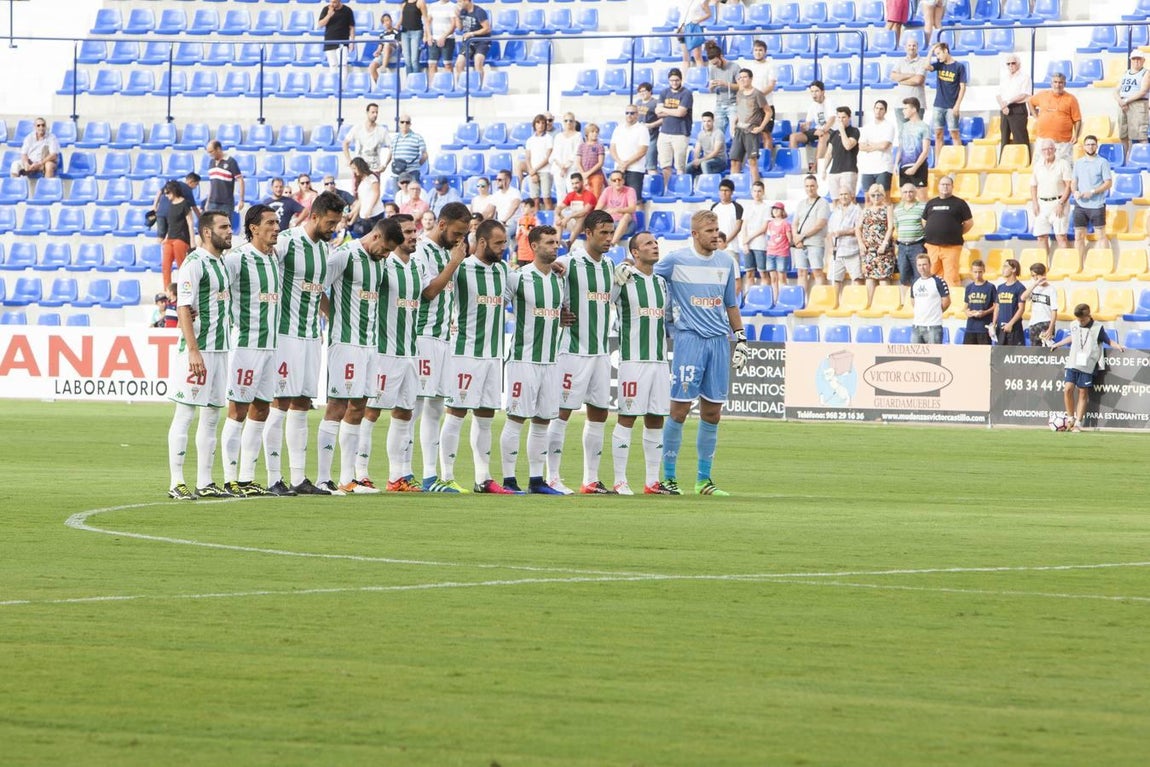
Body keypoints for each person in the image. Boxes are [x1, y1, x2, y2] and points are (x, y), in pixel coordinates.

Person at [617, 209, 748, 497]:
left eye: (717, 230)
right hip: (689, 340)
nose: (715, 236)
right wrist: (624, 266)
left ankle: (704, 480)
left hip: (718, 341)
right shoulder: (675, 261)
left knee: (713, 412)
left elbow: (730, 303)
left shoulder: (727, 262)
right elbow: (645, 270)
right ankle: (669, 477)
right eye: (709, 231)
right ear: (695, 234)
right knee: (678, 410)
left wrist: (740, 337)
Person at [314, 217, 404, 496]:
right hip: (346, 343)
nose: (386, 255)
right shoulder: (344, 255)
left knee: (359, 407)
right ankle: (322, 479)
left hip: (370, 345)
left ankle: (347, 479)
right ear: (375, 237)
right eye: (385, 249)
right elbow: (317, 289)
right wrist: (333, 315)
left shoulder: (380, 262)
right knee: (337, 406)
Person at [265, 191, 347, 496]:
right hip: (285, 335)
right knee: (280, 402)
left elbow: (318, 291)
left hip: (312, 335)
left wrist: (333, 317)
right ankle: (273, 478)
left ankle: (298, 478)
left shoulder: (325, 249)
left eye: (337, 223)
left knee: (302, 403)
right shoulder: (286, 241)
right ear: (314, 216)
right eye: (330, 223)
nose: (334, 229)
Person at [431, 219, 518, 494]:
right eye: (498, 243)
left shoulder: (503, 270)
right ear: (481, 242)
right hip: (465, 354)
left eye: (505, 242)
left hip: (493, 355)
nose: (503, 248)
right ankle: (446, 476)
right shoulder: (462, 269)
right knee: (456, 413)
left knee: (486, 416)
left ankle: (483, 479)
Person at [166, 211, 236, 500]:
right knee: (185, 413)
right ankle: (176, 482)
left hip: (220, 349)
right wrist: (194, 351)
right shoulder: (194, 263)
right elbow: (183, 306)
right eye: (224, 227)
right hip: (199, 351)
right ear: (208, 232)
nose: (230, 231)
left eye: (230, 226)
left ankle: (205, 482)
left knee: (211, 416)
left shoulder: (222, 263)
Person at [547, 210, 618, 494]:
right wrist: (557, 314)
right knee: (561, 412)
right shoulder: (568, 262)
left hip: (600, 352)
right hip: (572, 352)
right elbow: (544, 284)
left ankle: (590, 479)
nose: (609, 238)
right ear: (588, 233)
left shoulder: (610, 266)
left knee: (599, 413)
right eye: (603, 233)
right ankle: (552, 477)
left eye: (611, 232)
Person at [355, 214, 426, 492]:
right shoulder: (383, 265)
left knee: (405, 412)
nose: (413, 236)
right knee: (371, 411)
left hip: (410, 351)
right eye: (407, 232)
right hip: (384, 351)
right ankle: (360, 472)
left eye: (414, 231)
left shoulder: (417, 266)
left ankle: (398, 476)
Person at [219, 205, 285, 497]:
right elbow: (215, 287)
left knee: (262, 408)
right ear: (253, 228)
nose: (276, 227)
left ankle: (247, 477)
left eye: (277, 222)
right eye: (270, 223)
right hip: (245, 345)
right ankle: (229, 478)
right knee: (238, 410)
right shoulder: (237, 259)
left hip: (270, 346)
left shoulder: (274, 258)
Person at [498, 225, 567, 495]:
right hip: (523, 359)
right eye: (549, 242)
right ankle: (508, 480)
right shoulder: (518, 278)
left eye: (556, 242)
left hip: (550, 361)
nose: (555, 246)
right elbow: (496, 307)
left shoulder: (559, 280)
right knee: (516, 418)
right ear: (534, 246)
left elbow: (560, 312)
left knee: (542, 421)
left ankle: (537, 480)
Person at [610, 231, 675, 495]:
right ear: (635, 252)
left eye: (656, 243)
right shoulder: (624, 278)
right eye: (648, 243)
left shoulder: (661, 282)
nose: (655, 246)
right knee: (627, 417)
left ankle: (652, 481)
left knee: (656, 418)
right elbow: (605, 301)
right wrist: (616, 274)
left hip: (659, 361)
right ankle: (619, 480)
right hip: (633, 360)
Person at [413, 204, 471, 491]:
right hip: (422, 336)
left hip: (443, 338)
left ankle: (429, 476)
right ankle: (402, 474)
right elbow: (429, 292)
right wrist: (454, 263)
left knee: (435, 407)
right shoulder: (421, 250)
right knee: (412, 407)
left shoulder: (449, 252)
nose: (460, 239)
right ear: (442, 224)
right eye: (457, 233)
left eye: (465, 234)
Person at [1051, 303, 1124, 432]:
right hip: (1073, 362)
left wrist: (1118, 346)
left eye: (1083, 320)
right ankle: (1070, 418)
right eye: (1078, 319)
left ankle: (1078, 423)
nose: (1080, 322)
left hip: (1087, 364)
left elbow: (1107, 340)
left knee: (1082, 392)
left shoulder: (1097, 327)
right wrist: (1058, 344)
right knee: (1067, 389)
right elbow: (1072, 337)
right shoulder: (1074, 324)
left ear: (1089, 316)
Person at [1071, 135, 1114, 267]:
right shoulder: (1078, 163)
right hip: (1080, 205)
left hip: (1097, 205)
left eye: (1093, 144)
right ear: (1084, 146)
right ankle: (1079, 265)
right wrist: (1075, 191)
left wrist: (1093, 191)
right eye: (1088, 144)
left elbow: (1108, 183)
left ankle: (1104, 264)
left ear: (1096, 146)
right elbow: (1074, 181)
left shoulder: (1102, 162)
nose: (1090, 147)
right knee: (1078, 236)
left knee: (1100, 235)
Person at [921, 175, 972, 286]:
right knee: (932, 275)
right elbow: (924, 221)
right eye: (942, 184)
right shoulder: (931, 203)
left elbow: (969, 223)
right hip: (933, 246)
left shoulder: (960, 203)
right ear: (938, 186)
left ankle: (952, 297)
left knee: (951, 276)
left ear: (952, 187)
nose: (945, 187)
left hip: (951, 247)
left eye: (947, 184)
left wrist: (955, 232)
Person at [1030, 138, 1073, 260]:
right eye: (1044, 149)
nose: (1047, 151)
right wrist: (1034, 203)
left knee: (1061, 237)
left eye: (1050, 149)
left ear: (1054, 149)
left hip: (1058, 202)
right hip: (1042, 203)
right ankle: (1044, 265)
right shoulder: (1038, 165)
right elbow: (1033, 185)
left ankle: (1066, 265)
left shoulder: (1063, 164)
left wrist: (1061, 203)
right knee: (1041, 237)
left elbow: (1069, 186)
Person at [655, 68, 694, 191]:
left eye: (677, 80)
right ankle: (667, 188)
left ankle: (680, 189)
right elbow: (657, 112)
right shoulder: (664, 92)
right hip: (664, 132)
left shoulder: (686, 93)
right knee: (665, 164)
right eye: (672, 80)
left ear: (681, 80)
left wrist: (665, 110)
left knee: (679, 166)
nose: (674, 83)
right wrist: (674, 111)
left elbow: (681, 113)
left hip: (680, 133)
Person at [791, 174, 831, 292]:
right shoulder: (801, 204)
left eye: (812, 186)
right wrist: (796, 238)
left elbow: (820, 224)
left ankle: (821, 299)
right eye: (807, 186)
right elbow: (795, 223)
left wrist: (802, 236)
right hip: (800, 244)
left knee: (817, 272)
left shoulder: (823, 203)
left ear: (817, 186)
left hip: (815, 243)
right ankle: (801, 300)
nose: (810, 188)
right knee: (801, 273)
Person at [1029, 73, 1082, 162]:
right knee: (1040, 166)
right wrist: (1036, 117)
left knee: (1064, 167)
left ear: (1064, 84)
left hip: (1062, 143)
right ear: (1051, 83)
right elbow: (1030, 101)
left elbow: (1077, 119)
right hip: (1043, 141)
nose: (1057, 85)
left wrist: (1076, 135)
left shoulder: (1071, 99)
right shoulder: (1042, 95)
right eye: (1055, 82)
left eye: (1060, 82)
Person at [857, 184, 895, 305]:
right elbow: (858, 228)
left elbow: (890, 227)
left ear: (883, 196)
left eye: (879, 195)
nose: (876, 197)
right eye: (873, 195)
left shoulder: (887, 209)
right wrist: (861, 244)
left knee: (883, 277)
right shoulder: (865, 210)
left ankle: (885, 304)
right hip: (869, 250)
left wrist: (884, 244)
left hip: (884, 250)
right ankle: (869, 304)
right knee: (869, 278)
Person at [730, 68, 770, 183]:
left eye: (745, 77)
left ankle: (756, 187)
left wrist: (761, 127)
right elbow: (739, 111)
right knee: (734, 161)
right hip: (739, 130)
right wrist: (733, 124)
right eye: (740, 78)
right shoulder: (739, 93)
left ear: (751, 78)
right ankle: (735, 187)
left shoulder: (757, 94)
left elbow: (768, 112)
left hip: (751, 131)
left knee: (752, 161)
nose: (742, 79)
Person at [929, 42, 966, 157]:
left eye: (938, 53)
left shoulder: (959, 66)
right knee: (938, 134)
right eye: (936, 54)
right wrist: (930, 51)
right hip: (938, 105)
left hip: (951, 106)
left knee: (954, 133)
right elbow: (926, 66)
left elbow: (962, 87)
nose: (937, 57)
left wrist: (957, 105)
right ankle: (938, 162)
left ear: (946, 51)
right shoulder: (939, 65)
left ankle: (959, 160)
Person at [893, 181, 927, 306]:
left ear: (916, 193)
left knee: (919, 274)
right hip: (902, 246)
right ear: (902, 194)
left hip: (917, 245)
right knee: (904, 275)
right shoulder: (897, 209)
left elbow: (926, 226)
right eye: (905, 192)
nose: (908, 194)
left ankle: (919, 302)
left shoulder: (922, 207)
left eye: (911, 192)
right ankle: (905, 302)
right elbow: (897, 226)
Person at [827, 185, 863, 301]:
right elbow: (830, 231)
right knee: (835, 279)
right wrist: (831, 247)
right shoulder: (835, 211)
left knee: (857, 279)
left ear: (851, 195)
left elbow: (858, 229)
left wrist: (843, 232)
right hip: (837, 252)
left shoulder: (857, 210)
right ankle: (835, 302)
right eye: (841, 194)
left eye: (846, 194)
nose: (843, 197)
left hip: (852, 250)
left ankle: (856, 302)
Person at [160, 181, 196, 290]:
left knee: (182, 266)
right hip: (170, 238)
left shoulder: (185, 203)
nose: (166, 195)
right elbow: (171, 223)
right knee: (165, 266)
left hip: (181, 238)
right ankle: (168, 291)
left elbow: (190, 222)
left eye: (168, 193)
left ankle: (186, 290)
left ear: (173, 191)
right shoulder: (170, 205)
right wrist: (166, 237)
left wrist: (192, 242)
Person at [743, 39, 777, 154]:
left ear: (765, 52)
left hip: (767, 105)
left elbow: (771, 85)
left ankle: (767, 160)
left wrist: (757, 96)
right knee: (751, 134)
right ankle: (754, 160)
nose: (758, 52)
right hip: (752, 107)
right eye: (756, 50)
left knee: (766, 133)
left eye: (760, 50)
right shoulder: (749, 66)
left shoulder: (770, 66)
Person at [997, 54, 1033, 163]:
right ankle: (1004, 163)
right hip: (1004, 109)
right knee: (1004, 138)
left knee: (1020, 138)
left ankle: (1024, 162)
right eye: (1008, 64)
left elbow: (1024, 94)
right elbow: (998, 94)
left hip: (1018, 108)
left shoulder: (1025, 77)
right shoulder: (1004, 77)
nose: (1011, 65)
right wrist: (1003, 105)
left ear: (1019, 64)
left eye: (1013, 63)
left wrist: (1008, 102)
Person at [909, 252, 950, 344]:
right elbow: (913, 301)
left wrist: (935, 312)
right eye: (919, 265)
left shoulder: (938, 281)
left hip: (933, 327)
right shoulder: (915, 282)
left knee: (934, 353)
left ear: (930, 265)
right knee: (914, 353)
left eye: (924, 264)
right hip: (916, 326)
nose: (922, 267)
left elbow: (946, 301)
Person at [1116, 50, 1149, 163]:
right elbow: (1116, 90)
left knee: (1140, 135)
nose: (1136, 61)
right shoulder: (1126, 73)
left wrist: (1126, 101)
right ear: (1131, 60)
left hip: (1138, 104)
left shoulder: (1146, 73)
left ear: (1143, 60)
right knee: (1123, 134)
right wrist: (1120, 101)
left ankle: (1144, 161)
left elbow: (1143, 91)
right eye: (1134, 59)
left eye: (1139, 59)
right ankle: (1123, 161)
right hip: (1122, 104)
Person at [858, 100, 896, 193]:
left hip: (884, 167)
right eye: (877, 108)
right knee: (868, 197)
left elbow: (884, 146)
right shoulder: (867, 127)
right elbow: (861, 146)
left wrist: (870, 144)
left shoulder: (889, 126)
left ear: (885, 111)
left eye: (881, 109)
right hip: (868, 168)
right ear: (873, 109)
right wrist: (878, 145)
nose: (878, 111)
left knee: (884, 196)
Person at [203, 140, 244, 227]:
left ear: (218, 149)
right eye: (208, 152)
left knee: (225, 228)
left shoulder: (230, 162)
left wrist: (241, 199)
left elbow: (240, 180)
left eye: (211, 151)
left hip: (226, 203)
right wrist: (208, 201)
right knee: (211, 228)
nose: (209, 154)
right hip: (212, 202)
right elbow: (212, 184)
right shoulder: (211, 163)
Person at [889, 40, 930, 126]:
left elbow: (918, 80)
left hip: (917, 105)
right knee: (902, 132)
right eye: (909, 45)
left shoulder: (923, 62)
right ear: (905, 47)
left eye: (914, 45)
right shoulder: (900, 61)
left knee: (917, 132)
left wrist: (900, 80)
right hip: (901, 105)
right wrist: (910, 75)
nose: (912, 47)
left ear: (917, 47)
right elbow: (893, 76)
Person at [453, 0, 492, 90]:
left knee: (478, 61)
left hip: (481, 41)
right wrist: (457, 16)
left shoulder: (479, 11)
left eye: (460, 1)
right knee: (459, 64)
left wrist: (472, 33)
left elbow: (487, 29)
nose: (458, 4)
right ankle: (462, 87)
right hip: (468, 42)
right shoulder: (462, 12)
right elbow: (459, 28)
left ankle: (478, 87)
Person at [740, 180, 771, 291]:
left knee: (763, 273)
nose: (757, 193)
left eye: (759, 191)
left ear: (763, 192)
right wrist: (745, 242)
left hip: (760, 244)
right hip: (748, 245)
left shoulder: (766, 208)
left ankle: (765, 295)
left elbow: (764, 228)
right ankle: (750, 295)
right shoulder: (748, 207)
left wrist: (749, 238)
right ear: (751, 192)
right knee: (749, 273)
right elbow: (744, 225)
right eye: (755, 191)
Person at [788, 81, 830, 162]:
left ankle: (816, 166)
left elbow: (832, 120)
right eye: (812, 92)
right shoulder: (813, 105)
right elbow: (808, 124)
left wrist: (823, 130)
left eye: (816, 91)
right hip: (817, 130)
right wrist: (804, 127)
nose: (814, 94)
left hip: (830, 131)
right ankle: (794, 164)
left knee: (822, 136)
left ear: (823, 92)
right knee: (793, 136)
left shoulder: (829, 103)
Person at [343, 103, 390, 174]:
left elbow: (392, 148)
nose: (375, 115)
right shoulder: (358, 128)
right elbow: (345, 143)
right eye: (373, 112)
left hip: (375, 169)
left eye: (377, 112)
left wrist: (385, 165)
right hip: (359, 169)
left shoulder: (382, 130)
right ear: (367, 113)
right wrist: (349, 161)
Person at [705, 40, 739, 139]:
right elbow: (710, 90)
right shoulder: (712, 68)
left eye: (716, 63)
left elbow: (741, 86)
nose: (715, 65)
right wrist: (711, 87)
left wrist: (726, 84)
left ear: (721, 56)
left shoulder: (734, 67)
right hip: (719, 104)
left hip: (734, 103)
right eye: (713, 64)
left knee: (734, 133)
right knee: (717, 134)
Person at [381, 114, 428, 182]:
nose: (404, 124)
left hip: (412, 173)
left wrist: (416, 165)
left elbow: (425, 154)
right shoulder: (395, 138)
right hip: (397, 173)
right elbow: (391, 153)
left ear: (410, 124)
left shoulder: (418, 137)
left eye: (407, 122)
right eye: (402, 122)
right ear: (399, 124)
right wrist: (385, 165)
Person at [897, 97, 931, 188]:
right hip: (904, 166)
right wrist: (896, 165)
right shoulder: (903, 126)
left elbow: (925, 151)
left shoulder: (924, 127)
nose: (903, 111)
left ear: (914, 109)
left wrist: (915, 167)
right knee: (904, 195)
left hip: (919, 166)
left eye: (906, 108)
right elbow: (900, 148)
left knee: (921, 195)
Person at [710, 179, 744, 272]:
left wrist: (725, 242)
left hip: (731, 247)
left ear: (732, 192)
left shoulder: (737, 207)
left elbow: (738, 227)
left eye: (726, 190)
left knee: (733, 274)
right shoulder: (714, 207)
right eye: (721, 190)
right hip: (716, 248)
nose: (723, 193)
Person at [1022, 262, 1058, 347]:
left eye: (1037, 275)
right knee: (1035, 350)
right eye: (1033, 276)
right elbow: (1023, 297)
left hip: (1046, 323)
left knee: (1047, 350)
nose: (1035, 278)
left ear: (1043, 274)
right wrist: (1035, 284)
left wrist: (1051, 328)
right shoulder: (1033, 288)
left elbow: (1054, 310)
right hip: (1034, 324)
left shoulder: (1051, 289)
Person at [825, 106, 860, 195]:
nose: (841, 120)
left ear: (849, 117)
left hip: (848, 170)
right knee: (835, 199)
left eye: (843, 117)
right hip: (834, 171)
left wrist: (842, 131)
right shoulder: (834, 134)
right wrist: (824, 169)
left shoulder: (854, 131)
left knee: (849, 198)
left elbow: (848, 146)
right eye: (839, 117)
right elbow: (829, 153)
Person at [556, 172, 597, 245]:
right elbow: (559, 207)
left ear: (582, 182)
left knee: (582, 217)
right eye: (573, 183)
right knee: (558, 219)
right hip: (574, 223)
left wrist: (569, 217)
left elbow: (585, 211)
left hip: (587, 225)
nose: (574, 186)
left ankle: (569, 243)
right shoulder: (571, 195)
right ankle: (557, 244)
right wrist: (557, 215)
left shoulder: (589, 195)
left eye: (577, 183)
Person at [523, 114, 554, 212]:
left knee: (546, 198)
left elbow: (548, 157)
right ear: (534, 124)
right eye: (538, 123)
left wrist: (534, 170)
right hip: (533, 172)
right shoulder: (530, 140)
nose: (540, 125)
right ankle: (537, 220)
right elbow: (528, 157)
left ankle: (549, 220)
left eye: (543, 123)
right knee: (535, 200)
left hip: (545, 171)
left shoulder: (549, 138)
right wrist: (531, 172)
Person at [962, 259, 997, 345]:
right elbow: (966, 306)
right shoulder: (969, 287)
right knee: (968, 351)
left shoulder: (990, 287)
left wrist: (985, 312)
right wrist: (967, 312)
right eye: (975, 272)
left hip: (984, 327)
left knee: (984, 352)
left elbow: (996, 306)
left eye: (980, 272)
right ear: (971, 271)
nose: (977, 275)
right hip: (970, 327)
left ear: (984, 271)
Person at [763, 201, 793, 301]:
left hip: (782, 253)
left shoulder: (786, 224)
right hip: (771, 252)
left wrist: (785, 247)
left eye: (778, 209)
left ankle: (783, 299)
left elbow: (789, 239)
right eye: (774, 209)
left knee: (782, 277)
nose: (775, 211)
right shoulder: (770, 224)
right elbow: (769, 237)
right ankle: (775, 299)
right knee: (773, 278)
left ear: (782, 211)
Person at [317, 0, 356, 77]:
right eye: (331, 2)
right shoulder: (326, 9)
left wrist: (352, 41)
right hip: (329, 41)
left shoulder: (347, 10)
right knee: (333, 65)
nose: (332, 4)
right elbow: (320, 24)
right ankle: (334, 83)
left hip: (343, 42)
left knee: (343, 65)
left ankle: (343, 84)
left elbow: (352, 27)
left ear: (339, 1)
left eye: (334, 2)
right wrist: (329, 15)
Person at [347, 157, 384, 238]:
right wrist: (352, 212)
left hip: (375, 213)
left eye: (354, 168)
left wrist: (370, 209)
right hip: (364, 215)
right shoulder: (361, 181)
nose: (354, 171)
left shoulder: (372, 177)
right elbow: (361, 200)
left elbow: (376, 193)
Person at [993, 258, 1027, 346]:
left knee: (1013, 353)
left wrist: (1010, 324)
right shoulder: (1000, 287)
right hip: (1000, 328)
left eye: (1006, 266)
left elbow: (1021, 309)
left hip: (1014, 329)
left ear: (1014, 269)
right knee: (999, 353)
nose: (1003, 269)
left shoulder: (1020, 287)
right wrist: (993, 323)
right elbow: (997, 307)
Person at [550, 112, 582, 203]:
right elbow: (555, 153)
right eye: (566, 120)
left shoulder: (578, 135)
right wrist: (561, 166)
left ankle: (574, 212)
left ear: (574, 122)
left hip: (572, 168)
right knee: (560, 193)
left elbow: (576, 152)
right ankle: (561, 211)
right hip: (559, 169)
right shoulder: (558, 136)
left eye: (571, 121)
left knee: (573, 192)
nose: (568, 122)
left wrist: (566, 166)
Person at [688, 111, 729, 176]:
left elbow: (715, 152)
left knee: (704, 164)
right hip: (706, 160)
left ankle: (708, 182)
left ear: (713, 121)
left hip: (720, 161)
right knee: (688, 167)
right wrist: (696, 160)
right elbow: (697, 150)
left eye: (709, 121)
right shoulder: (700, 134)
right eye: (704, 121)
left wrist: (701, 160)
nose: (706, 124)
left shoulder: (718, 133)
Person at [425, 0, 457, 84]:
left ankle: (449, 85)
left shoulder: (453, 6)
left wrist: (444, 36)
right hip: (434, 39)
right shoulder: (432, 6)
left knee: (447, 64)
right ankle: (433, 86)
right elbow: (427, 22)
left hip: (448, 39)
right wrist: (429, 35)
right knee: (432, 64)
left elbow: (454, 25)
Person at [634, 82, 662, 175]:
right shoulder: (638, 102)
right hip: (639, 136)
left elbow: (663, 119)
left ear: (650, 91)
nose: (642, 93)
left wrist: (651, 125)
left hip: (651, 136)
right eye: (640, 91)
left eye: (644, 91)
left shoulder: (655, 103)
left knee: (651, 164)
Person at [676, 0, 712, 70]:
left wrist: (697, 21)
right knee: (685, 59)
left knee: (697, 57)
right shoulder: (681, 2)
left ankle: (701, 75)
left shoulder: (701, 1)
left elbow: (709, 14)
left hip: (695, 28)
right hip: (683, 29)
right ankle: (684, 76)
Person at [397, 0, 428, 76]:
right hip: (405, 33)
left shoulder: (420, 2)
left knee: (414, 60)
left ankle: (416, 80)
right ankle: (409, 80)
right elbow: (402, 18)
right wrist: (397, 26)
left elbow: (425, 19)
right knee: (407, 60)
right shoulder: (404, 4)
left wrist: (426, 34)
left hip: (416, 32)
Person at [367, 13, 400, 84]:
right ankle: (379, 85)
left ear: (391, 21)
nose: (386, 23)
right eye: (384, 21)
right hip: (383, 54)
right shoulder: (382, 34)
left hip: (393, 53)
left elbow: (399, 44)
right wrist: (377, 52)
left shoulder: (396, 32)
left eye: (387, 20)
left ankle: (383, 67)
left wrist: (389, 44)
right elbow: (380, 47)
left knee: (387, 45)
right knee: (372, 67)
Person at [577, 122, 607, 199]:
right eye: (592, 132)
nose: (595, 133)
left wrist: (588, 173)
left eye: (596, 132)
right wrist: (583, 174)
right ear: (587, 133)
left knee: (595, 197)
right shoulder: (581, 146)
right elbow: (578, 162)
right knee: (584, 196)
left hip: (596, 175)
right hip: (583, 175)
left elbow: (600, 163)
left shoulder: (599, 146)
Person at [514, 198, 538, 265]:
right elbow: (517, 237)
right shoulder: (520, 220)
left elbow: (536, 236)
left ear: (532, 208)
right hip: (521, 254)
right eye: (522, 207)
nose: (523, 209)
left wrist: (524, 230)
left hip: (531, 254)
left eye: (525, 207)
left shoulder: (535, 220)